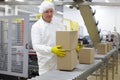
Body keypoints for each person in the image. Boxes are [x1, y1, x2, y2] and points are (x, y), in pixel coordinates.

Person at [31, 1, 66, 75]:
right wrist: (51, 49)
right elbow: (36, 46)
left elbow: (65, 35)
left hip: (58, 60)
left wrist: (73, 45)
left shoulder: (57, 23)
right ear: (42, 12)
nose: (50, 14)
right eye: (46, 12)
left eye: (51, 11)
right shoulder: (37, 27)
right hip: (45, 63)